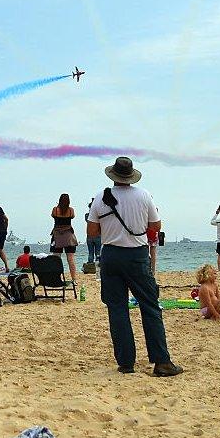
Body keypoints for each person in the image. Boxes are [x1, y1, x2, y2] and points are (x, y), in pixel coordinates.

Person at [86, 157, 182, 376]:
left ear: (113, 175)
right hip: (137, 255)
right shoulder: (143, 195)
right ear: (130, 176)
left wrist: (111, 229)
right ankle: (161, 361)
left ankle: (126, 362)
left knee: (117, 309)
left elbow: (92, 232)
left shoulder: (101, 197)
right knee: (150, 306)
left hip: (111, 255)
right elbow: (156, 226)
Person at [50, 193, 79, 283]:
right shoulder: (71, 210)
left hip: (57, 235)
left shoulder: (55, 210)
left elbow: (52, 215)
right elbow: (73, 216)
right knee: (70, 259)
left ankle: (55, 278)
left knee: (56, 258)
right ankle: (74, 279)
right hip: (68, 235)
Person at [84, 198, 101, 268]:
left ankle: (90, 266)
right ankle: (97, 267)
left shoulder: (87, 215)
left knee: (90, 252)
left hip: (89, 236)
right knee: (98, 252)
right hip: (98, 235)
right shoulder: (99, 215)